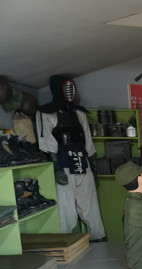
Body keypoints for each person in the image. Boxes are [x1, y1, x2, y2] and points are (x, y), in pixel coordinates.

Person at [36, 75, 107, 242]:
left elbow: (86, 141)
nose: (70, 91)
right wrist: (57, 168)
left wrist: (92, 168)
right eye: (66, 87)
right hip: (63, 163)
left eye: (71, 87)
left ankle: (99, 238)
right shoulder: (46, 113)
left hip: (83, 163)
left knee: (90, 206)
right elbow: (47, 142)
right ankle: (65, 243)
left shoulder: (79, 113)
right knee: (65, 208)